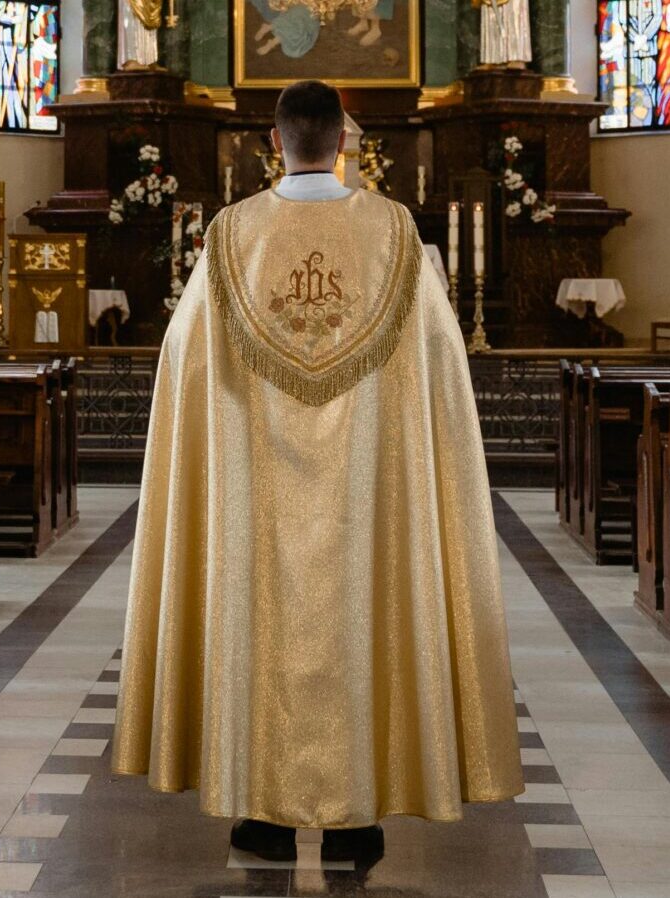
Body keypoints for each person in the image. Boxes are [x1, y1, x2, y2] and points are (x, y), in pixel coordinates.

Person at [111, 79, 524, 864]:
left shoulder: (232, 237)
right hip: (367, 498)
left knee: (258, 605)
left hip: (256, 497)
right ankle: (354, 816)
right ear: (344, 142)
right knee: (361, 607)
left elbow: (183, 358)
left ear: (275, 142)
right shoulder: (396, 235)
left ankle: (263, 812)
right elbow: (441, 364)